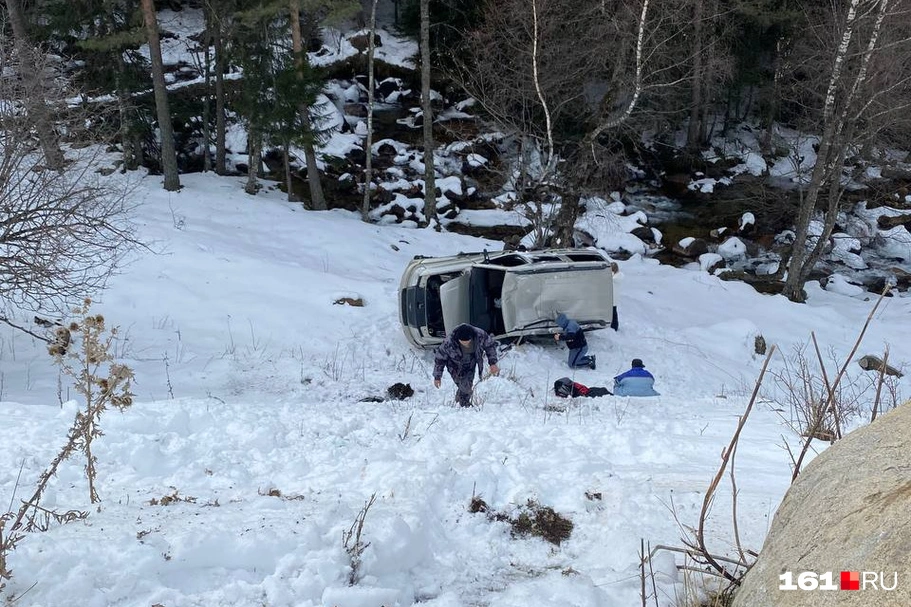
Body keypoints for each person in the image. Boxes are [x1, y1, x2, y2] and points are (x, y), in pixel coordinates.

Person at [433, 323, 500, 407]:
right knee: (461, 384)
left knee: (467, 385)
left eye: (468, 341)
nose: (466, 344)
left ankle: (464, 404)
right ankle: (461, 400)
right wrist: (437, 377)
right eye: (462, 342)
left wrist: (492, 363)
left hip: (471, 361)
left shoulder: (480, 335)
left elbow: (490, 346)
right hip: (454, 364)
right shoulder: (448, 342)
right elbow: (440, 359)